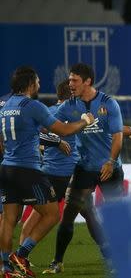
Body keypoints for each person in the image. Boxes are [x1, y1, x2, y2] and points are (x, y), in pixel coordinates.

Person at [0, 66, 94, 278]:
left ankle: (5, 268)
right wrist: (84, 121)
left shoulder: (3, 107)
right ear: (30, 84)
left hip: (6, 168)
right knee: (52, 214)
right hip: (28, 170)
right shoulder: (33, 105)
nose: (40, 85)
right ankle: (21, 254)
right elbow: (64, 130)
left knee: (8, 220)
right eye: (38, 82)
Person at [43, 63, 124, 274]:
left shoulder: (109, 103)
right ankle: (57, 262)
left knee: (117, 216)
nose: (70, 84)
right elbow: (50, 125)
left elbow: (118, 136)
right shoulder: (68, 106)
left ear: (87, 81)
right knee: (69, 214)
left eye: (74, 80)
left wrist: (111, 161)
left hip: (110, 168)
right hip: (85, 167)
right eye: (69, 80)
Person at [19, 79, 79, 245]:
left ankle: (22, 256)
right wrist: (57, 142)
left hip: (55, 171)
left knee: (39, 216)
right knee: (45, 216)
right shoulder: (64, 113)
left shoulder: (48, 112)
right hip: (59, 173)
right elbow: (36, 135)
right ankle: (22, 256)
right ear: (71, 95)